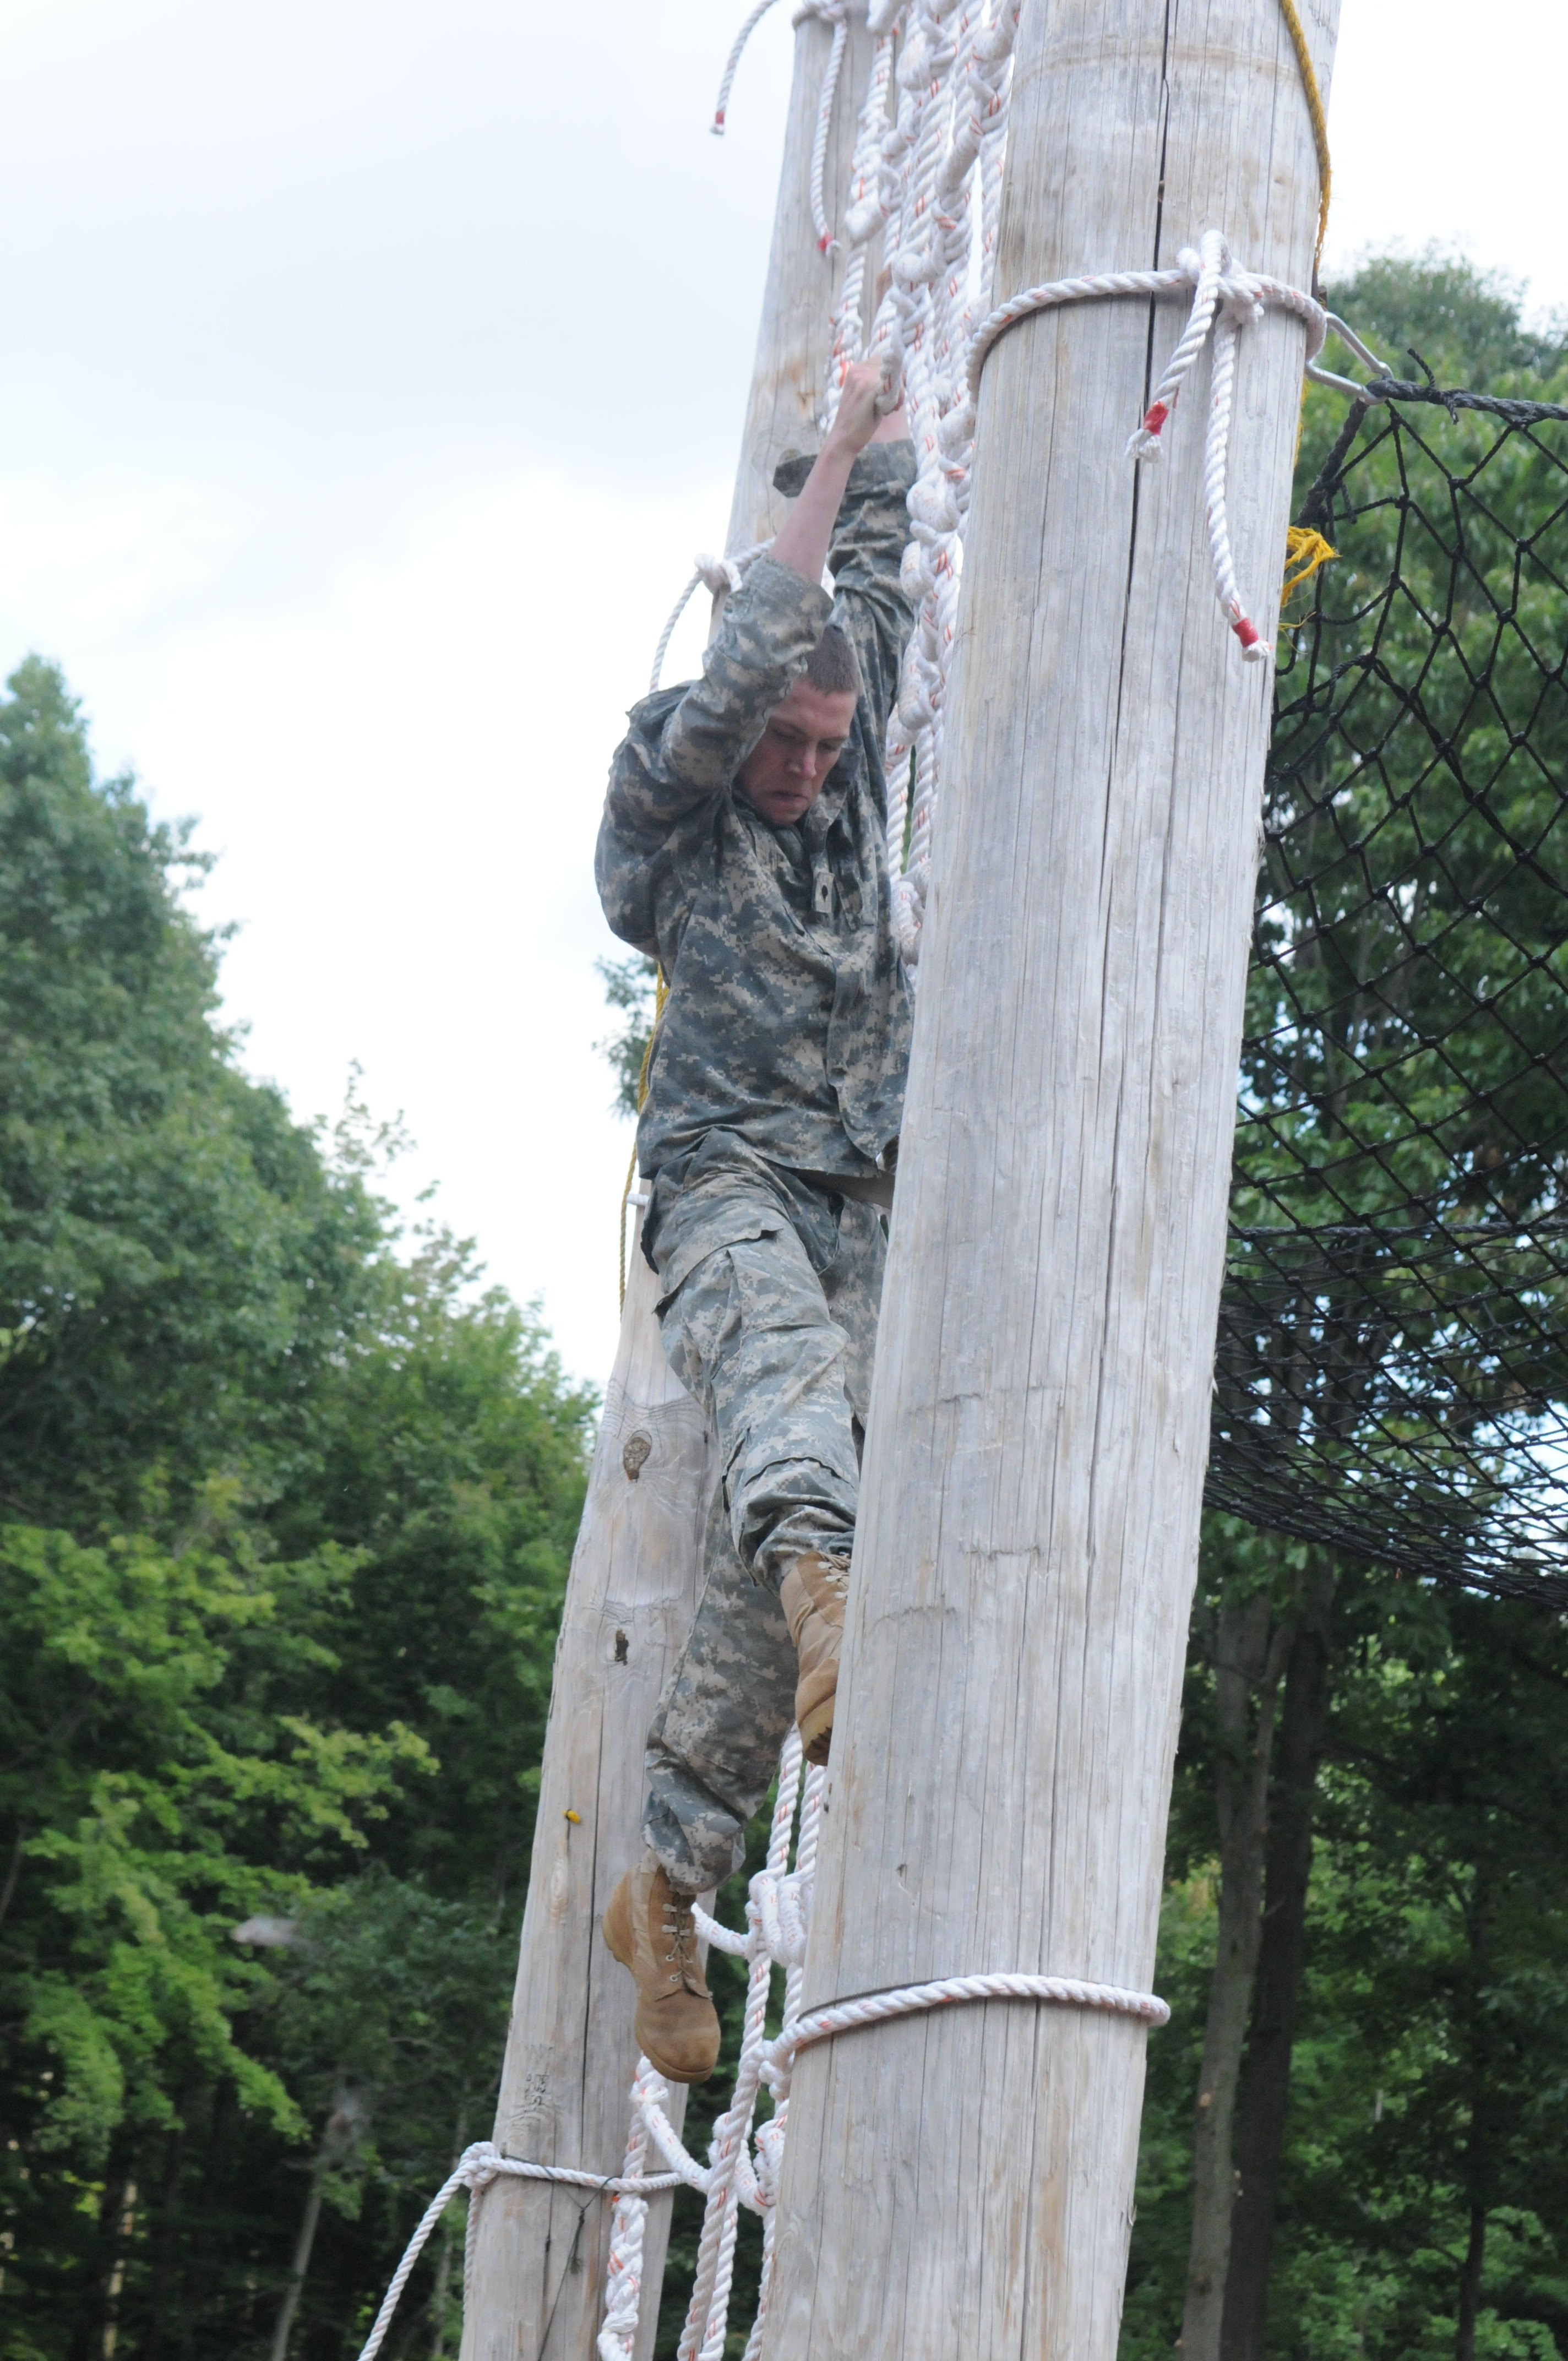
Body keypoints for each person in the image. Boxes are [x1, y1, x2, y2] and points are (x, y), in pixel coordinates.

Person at [595, 361, 917, 2082]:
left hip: (861, 1192)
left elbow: (878, 569)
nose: (800, 767)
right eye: (783, 740)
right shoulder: (680, 789)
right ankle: (845, 1611)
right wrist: (839, 447)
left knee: (758, 1559)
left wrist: (876, 434)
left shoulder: (849, 764)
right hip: (724, 1180)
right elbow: (755, 657)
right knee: (797, 1425)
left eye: (824, 743)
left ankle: (668, 1874)